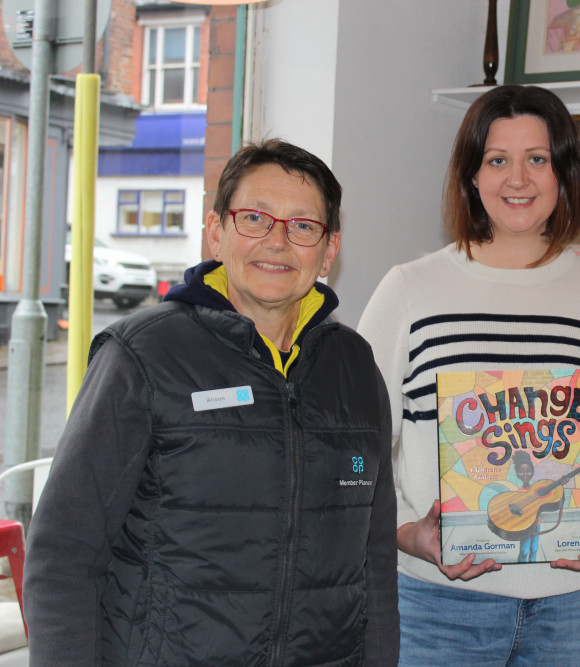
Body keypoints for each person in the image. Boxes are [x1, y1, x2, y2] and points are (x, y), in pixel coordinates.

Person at [23, 139, 399, 665]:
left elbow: (374, 560)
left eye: (302, 226)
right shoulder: (143, 355)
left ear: (328, 250)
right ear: (216, 233)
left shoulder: (355, 368)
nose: (277, 241)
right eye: (254, 218)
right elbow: (65, 552)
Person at [357, 84, 580, 666]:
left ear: (564, 173)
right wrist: (407, 532)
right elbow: (353, 450)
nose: (517, 179)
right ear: (472, 175)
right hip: (437, 607)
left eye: (538, 159)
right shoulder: (409, 291)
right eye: (497, 160)